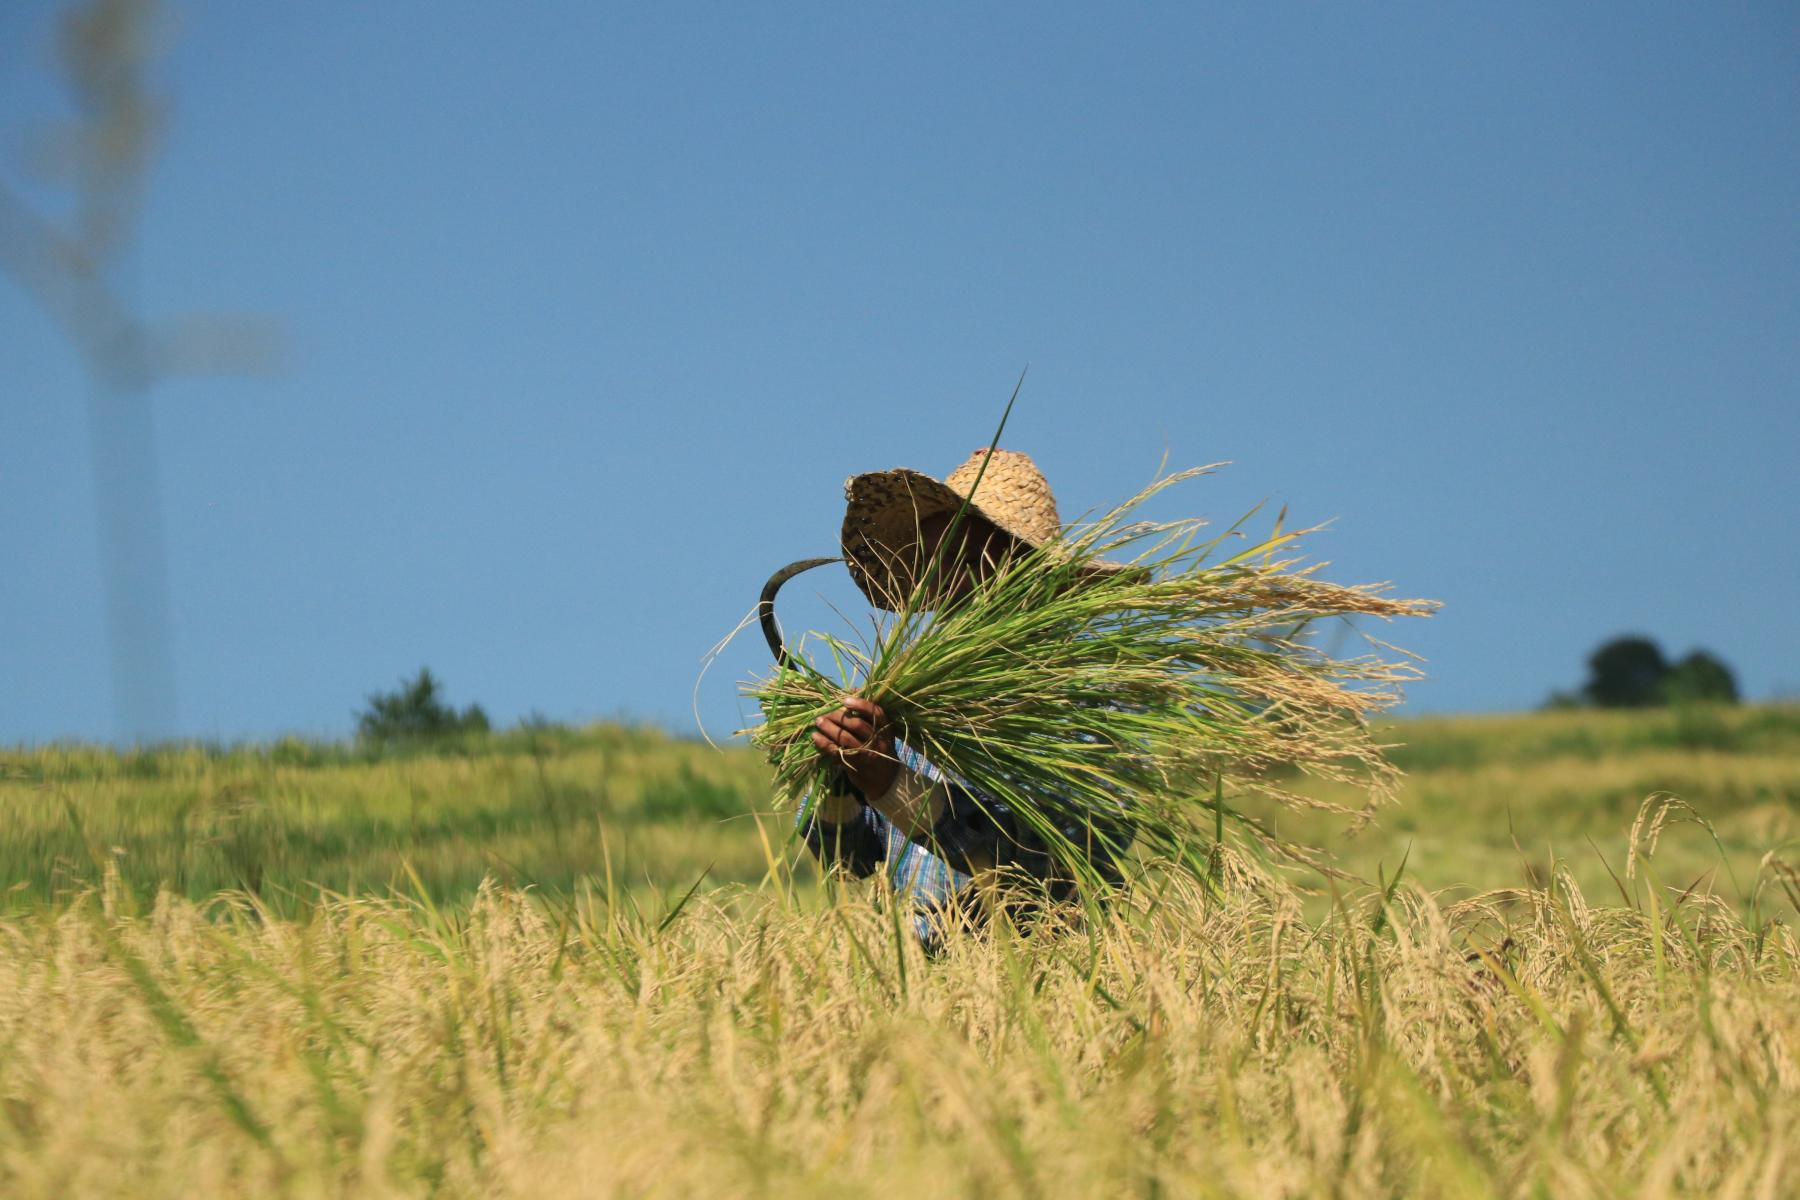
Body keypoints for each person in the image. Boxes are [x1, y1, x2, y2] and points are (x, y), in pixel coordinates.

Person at [795, 448, 1135, 950]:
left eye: (971, 558)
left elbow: (1041, 862)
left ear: (1031, 571)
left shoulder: (1088, 701)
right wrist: (843, 768)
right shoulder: (910, 709)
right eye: (937, 561)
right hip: (920, 982)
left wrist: (892, 784)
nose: (949, 580)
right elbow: (845, 861)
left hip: (1045, 973)